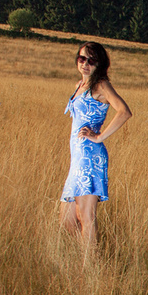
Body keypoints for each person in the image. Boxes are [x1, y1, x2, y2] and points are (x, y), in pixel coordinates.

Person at [60, 41, 131, 250]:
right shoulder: (79, 86)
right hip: (77, 158)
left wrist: (99, 137)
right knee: (67, 221)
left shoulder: (101, 86)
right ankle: (82, 258)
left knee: (86, 216)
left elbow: (124, 111)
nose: (85, 64)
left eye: (91, 61)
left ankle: (90, 268)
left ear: (99, 64)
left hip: (91, 156)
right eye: (82, 59)